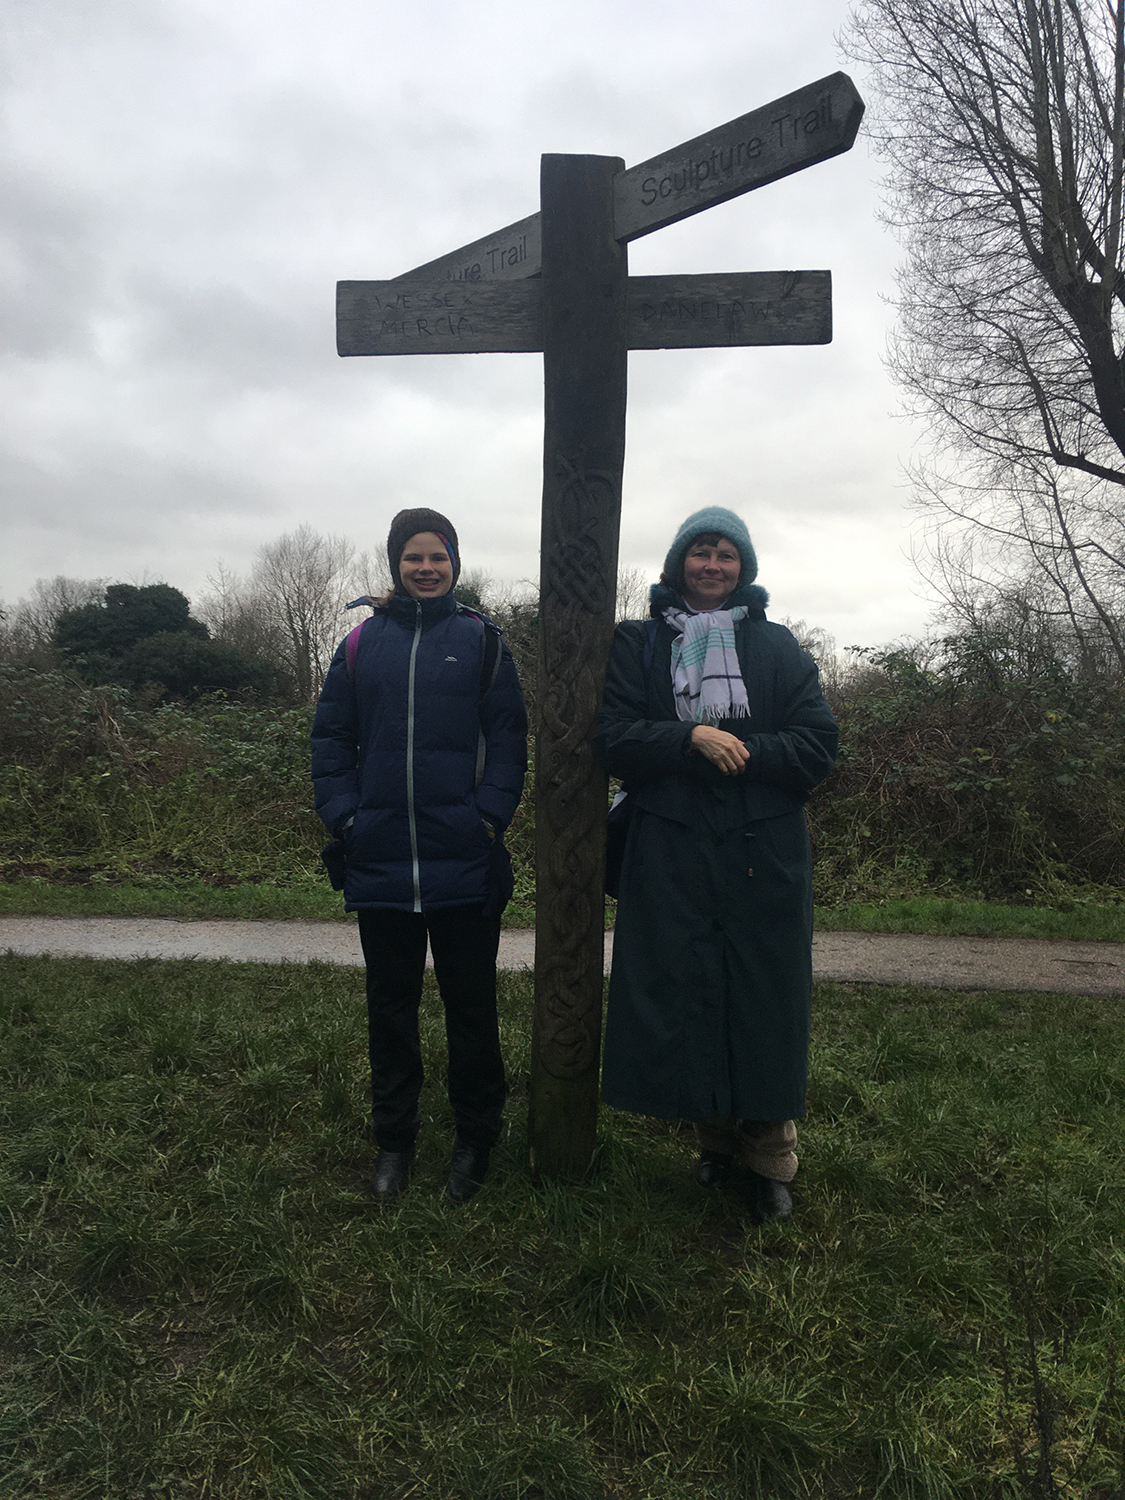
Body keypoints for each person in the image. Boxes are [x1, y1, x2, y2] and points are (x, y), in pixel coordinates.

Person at [595, 507, 838, 1222]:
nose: (710, 565)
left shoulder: (777, 648)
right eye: (698, 553)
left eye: (724, 555)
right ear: (676, 566)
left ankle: (769, 1160)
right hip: (670, 846)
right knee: (688, 987)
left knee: (763, 999)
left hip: (762, 849)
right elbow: (609, 736)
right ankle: (713, 1142)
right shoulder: (638, 645)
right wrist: (689, 736)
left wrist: (748, 749)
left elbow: (817, 744)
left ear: (744, 569)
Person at [311, 508, 527, 1205]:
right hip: (378, 859)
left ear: (455, 565)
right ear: (395, 565)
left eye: (437, 557)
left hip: (462, 859)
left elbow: (509, 741)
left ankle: (475, 1139)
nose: (426, 568)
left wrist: (488, 819)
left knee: (471, 1009)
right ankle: (394, 1143)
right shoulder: (357, 647)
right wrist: (345, 818)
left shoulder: (484, 644)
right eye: (413, 558)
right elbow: (330, 741)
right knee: (390, 1010)